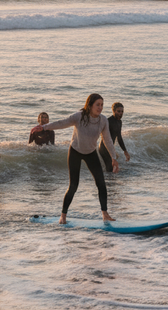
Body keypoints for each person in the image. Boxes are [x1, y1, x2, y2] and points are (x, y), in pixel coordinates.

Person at [30, 93, 120, 224]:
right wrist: (44, 127)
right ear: (90, 105)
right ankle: (63, 216)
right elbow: (62, 123)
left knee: (101, 184)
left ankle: (105, 214)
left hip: (91, 153)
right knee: (73, 185)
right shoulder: (79, 116)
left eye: (102, 105)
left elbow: (107, 140)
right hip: (75, 152)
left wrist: (113, 157)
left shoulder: (103, 120)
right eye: (97, 105)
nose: (100, 107)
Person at [98, 102, 130, 171]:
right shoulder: (108, 121)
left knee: (112, 169)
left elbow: (119, 137)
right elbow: (101, 134)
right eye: (118, 111)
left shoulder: (119, 122)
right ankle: (108, 181)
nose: (120, 113)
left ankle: (108, 180)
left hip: (110, 148)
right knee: (110, 169)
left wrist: (125, 151)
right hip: (104, 148)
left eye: (122, 111)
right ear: (114, 111)